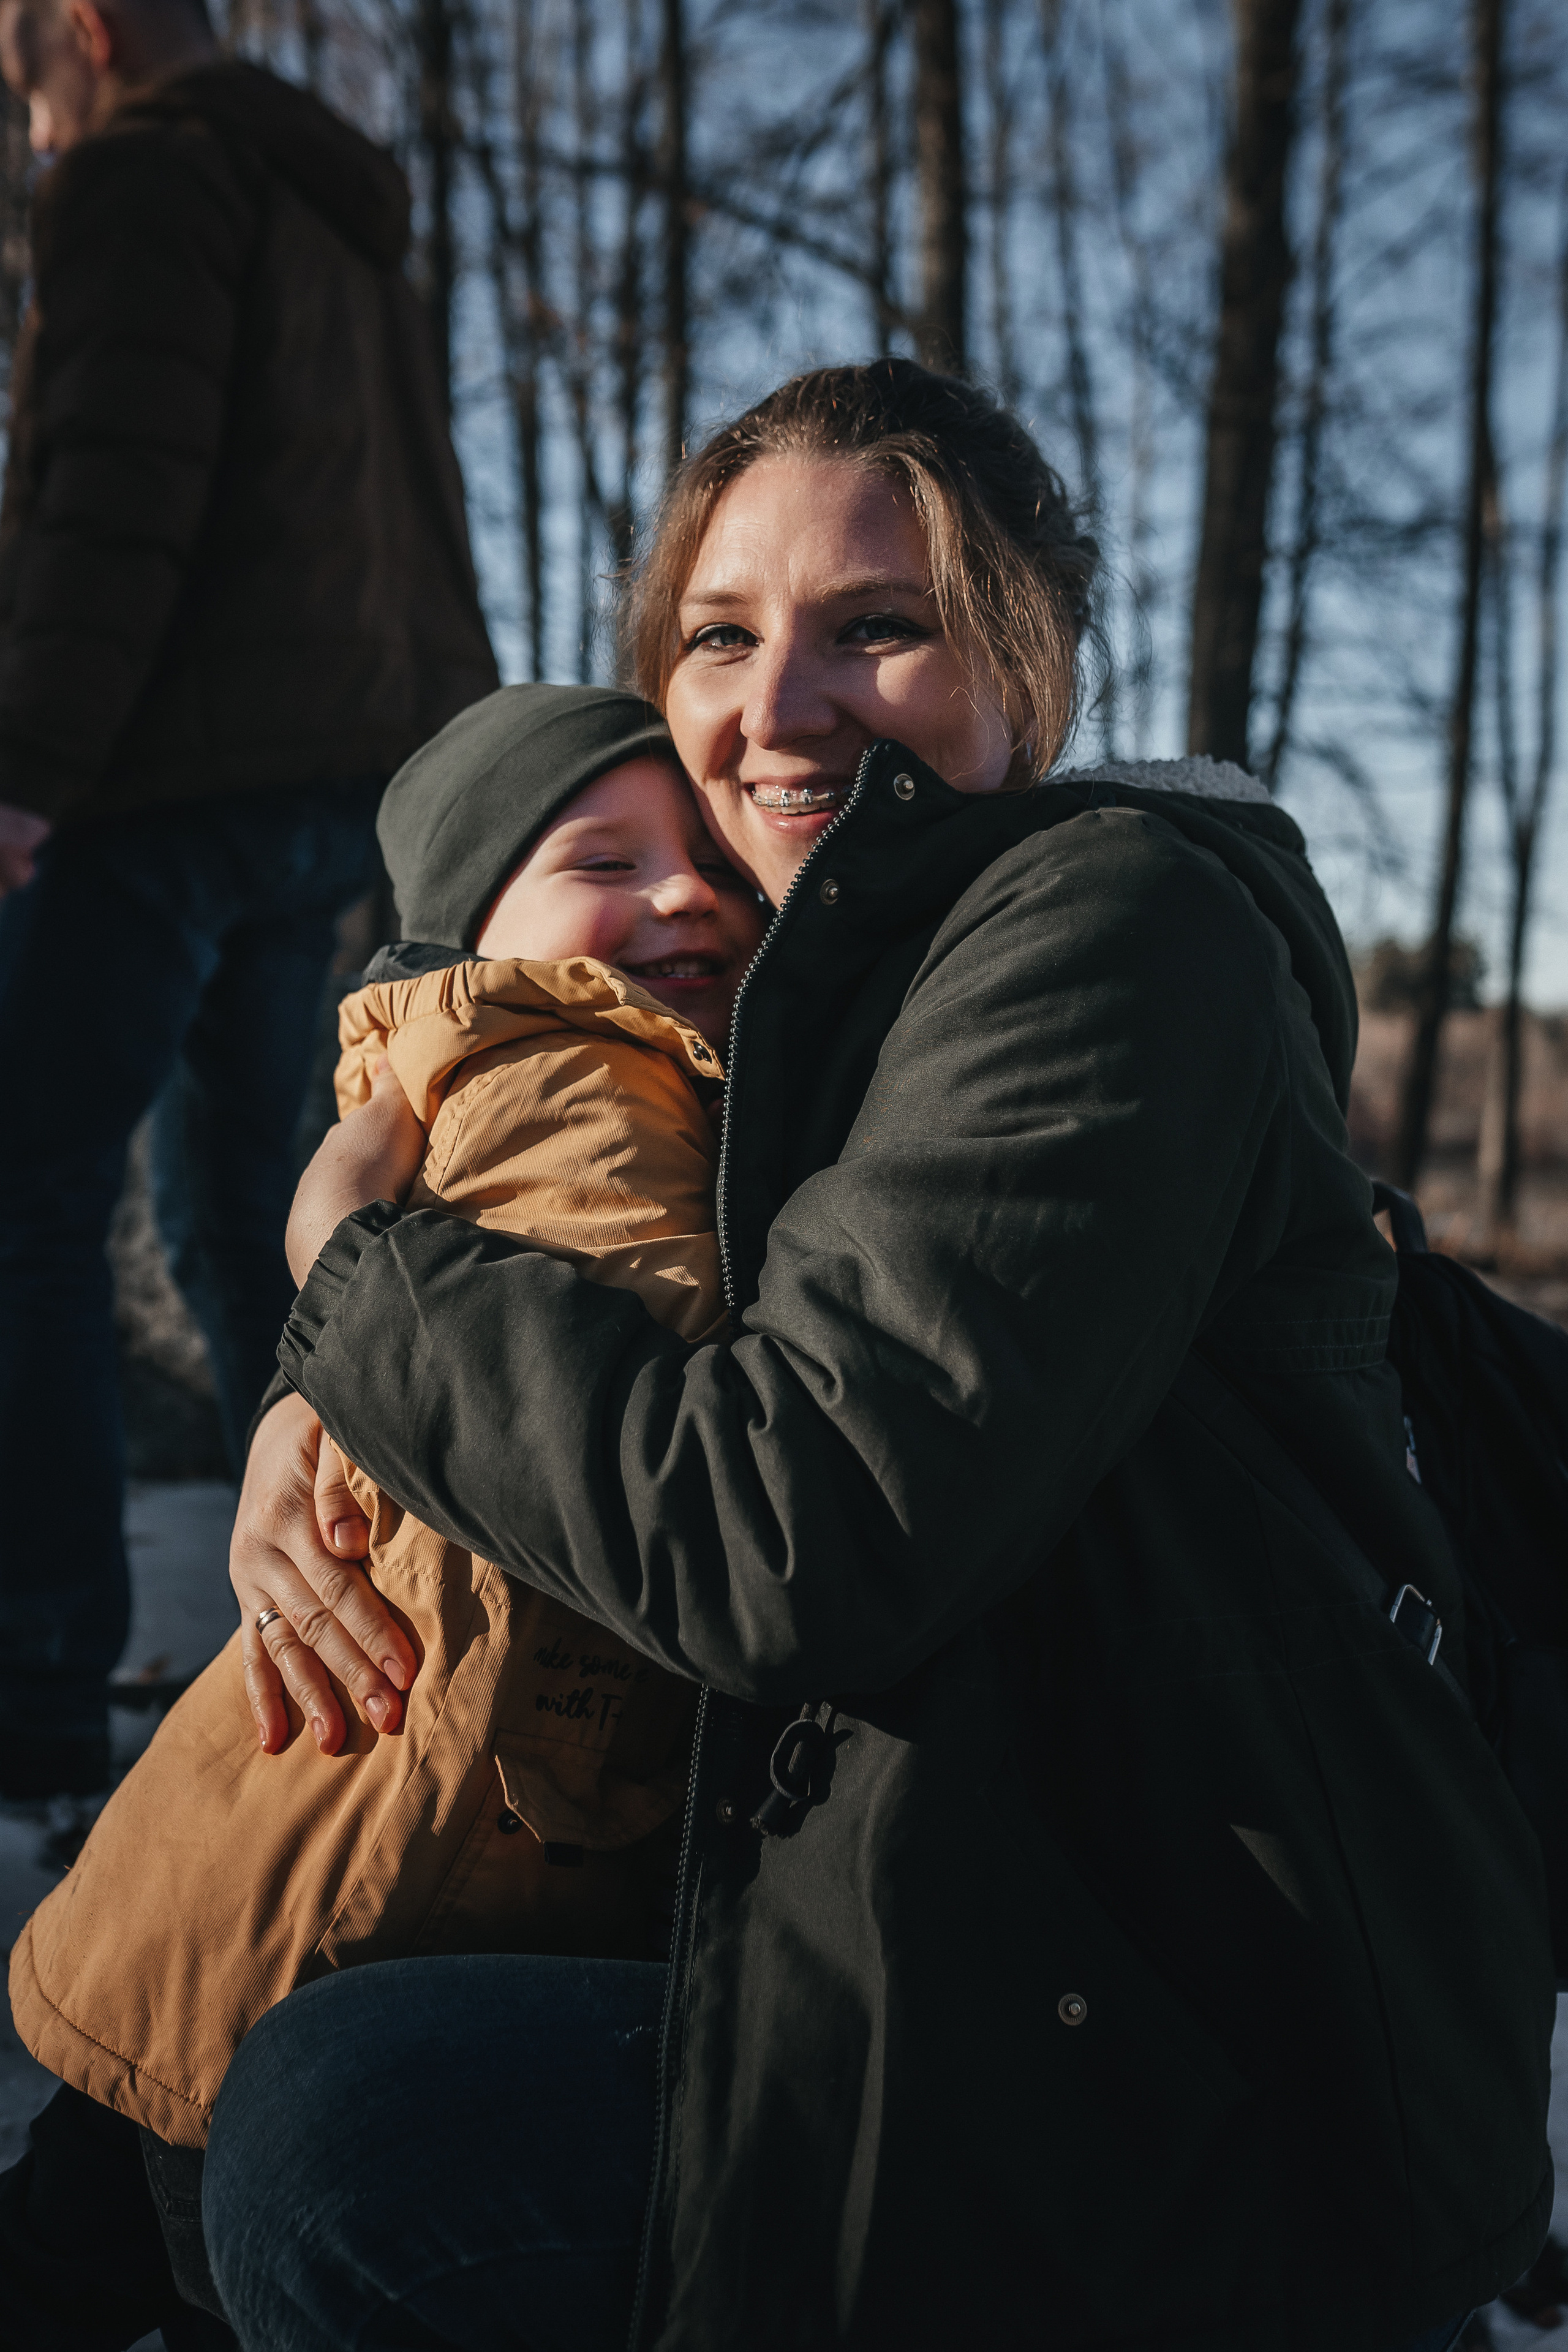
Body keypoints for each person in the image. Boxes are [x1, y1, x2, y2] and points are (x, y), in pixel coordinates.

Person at [209, 360, 1549, 2352]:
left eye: (880, 628)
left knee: (352, 2136)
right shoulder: (817, 992)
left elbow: (782, 1533)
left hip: (1194, 2029)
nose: (781, 706)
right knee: (279, 2036)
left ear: (1033, 656)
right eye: (721, 637)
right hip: (999, 1894)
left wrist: (356, 1275)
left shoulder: (1108, 931)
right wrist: (319, 1401)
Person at [1, 685, 766, 2350]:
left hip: (268, 1844)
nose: (686, 894)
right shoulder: (589, 1077)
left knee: (71, 2232)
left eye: (707, 855)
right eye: (606, 860)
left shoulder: (470, 1083)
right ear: (474, 929)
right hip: (379, 1870)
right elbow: (644, 1369)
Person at [0, 0, 498, 1805]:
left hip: (168, 764)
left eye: (19, 53)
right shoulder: (333, 206)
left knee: (25, 1198)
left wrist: (28, 763)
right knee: (237, 1214)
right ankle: (297, 1636)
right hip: (340, 774)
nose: (22, 96)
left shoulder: (142, 173)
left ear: (87, 24)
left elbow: (113, 499)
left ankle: (37, 1690)